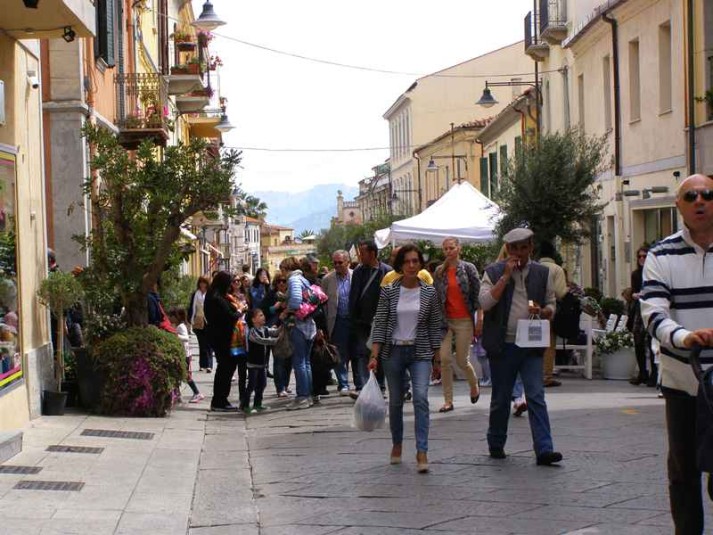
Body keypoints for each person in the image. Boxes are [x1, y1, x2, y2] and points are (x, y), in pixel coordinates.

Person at [640, 173, 713, 534]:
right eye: (690, 195)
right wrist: (685, 337)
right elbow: (653, 313)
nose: (699, 200)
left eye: (707, 194)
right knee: (683, 470)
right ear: (678, 205)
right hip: (683, 378)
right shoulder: (661, 254)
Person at [479, 228, 562, 466]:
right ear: (507, 249)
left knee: (536, 395)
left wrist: (545, 311)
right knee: (501, 398)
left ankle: (544, 449)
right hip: (503, 344)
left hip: (531, 344)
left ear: (531, 248)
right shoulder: (493, 272)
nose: (518, 253)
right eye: (513, 248)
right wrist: (505, 277)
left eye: (523, 248)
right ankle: (496, 443)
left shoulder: (542, 272)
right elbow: (485, 303)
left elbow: (551, 303)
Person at [369, 244, 441, 473]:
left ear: (420, 265)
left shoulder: (429, 292)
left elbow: (434, 325)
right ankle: (397, 444)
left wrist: (437, 357)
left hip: (420, 352)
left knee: (421, 398)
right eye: (407, 261)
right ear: (400, 265)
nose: (411, 265)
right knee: (397, 402)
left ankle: (422, 451)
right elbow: (380, 322)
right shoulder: (389, 290)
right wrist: (375, 354)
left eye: (415, 261)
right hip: (394, 352)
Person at [433, 237, 481, 412]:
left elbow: (478, 295)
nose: (448, 251)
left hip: (464, 320)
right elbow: (436, 298)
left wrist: (480, 318)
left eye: (451, 248)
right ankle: (448, 400)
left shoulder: (468, 268)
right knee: (445, 359)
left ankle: (474, 385)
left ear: (459, 248)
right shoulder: (440, 271)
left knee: (461, 360)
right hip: (445, 322)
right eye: (445, 249)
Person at [348, 239, 392, 394]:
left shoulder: (387, 271)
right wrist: (352, 317)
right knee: (362, 353)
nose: (360, 256)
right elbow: (354, 296)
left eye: (363, 252)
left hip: (380, 321)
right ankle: (365, 386)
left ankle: (380, 386)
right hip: (362, 322)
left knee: (378, 354)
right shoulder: (359, 272)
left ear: (372, 253)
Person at [205, 271, 244, 412]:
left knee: (226, 368)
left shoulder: (214, 295)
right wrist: (240, 311)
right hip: (221, 337)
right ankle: (219, 400)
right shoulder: (217, 298)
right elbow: (230, 316)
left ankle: (221, 399)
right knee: (225, 368)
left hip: (219, 336)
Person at [280, 256, 316, 411]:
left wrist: (286, 310)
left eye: (282, 269)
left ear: (287, 268)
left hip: (299, 325)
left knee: (299, 362)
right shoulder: (303, 279)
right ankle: (307, 395)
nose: (282, 274)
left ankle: (302, 396)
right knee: (306, 362)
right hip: (309, 325)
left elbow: (295, 301)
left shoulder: (294, 280)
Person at [320, 249, 353, 395]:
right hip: (336, 320)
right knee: (338, 353)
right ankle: (343, 383)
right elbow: (322, 302)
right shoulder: (327, 279)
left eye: (340, 262)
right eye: (335, 263)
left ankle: (359, 383)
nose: (337, 265)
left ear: (347, 262)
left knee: (356, 352)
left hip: (353, 320)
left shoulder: (355, 276)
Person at [537, 241, 568, 388]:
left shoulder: (533, 267)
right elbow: (560, 292)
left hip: (531, 310)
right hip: (549, 311)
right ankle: (546, 376)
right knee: (548, 344)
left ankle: (531, 374)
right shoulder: (557, 269)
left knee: (532, 343)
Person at [629, 246, 656, 386]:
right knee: (638, 341)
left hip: (652, 308)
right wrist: (634, 295)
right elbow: (633, 291)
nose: (641, 259)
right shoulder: (636, 274)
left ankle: (654, 374)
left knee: (652, 341)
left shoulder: (654, 272)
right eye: (639, 256)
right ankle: (642, 372)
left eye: (644, 256)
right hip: (639, 309)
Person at [261, 275, 292, 397]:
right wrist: (276, 307)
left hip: (290, 328)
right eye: (279, 281)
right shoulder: (271, 295)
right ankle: (280, 388)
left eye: (284, 281)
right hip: (276, 328)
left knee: (289, 359)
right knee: (279, 358)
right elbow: (263, 310)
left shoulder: (292, 293)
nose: (281, 283)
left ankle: (286, 384)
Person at [245, 309, 280, 413]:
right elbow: (261, 340)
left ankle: (258, 404)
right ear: (253, 320)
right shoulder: (252, 332)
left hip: (262, 364)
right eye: (260, 315)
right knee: (252, 385)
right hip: (253, 364)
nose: (263, 317)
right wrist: (275, 341)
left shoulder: (264, 329)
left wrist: (283, 324)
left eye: (263, 315)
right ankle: (245, 405)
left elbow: (275, 332)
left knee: (262, 384)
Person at [169, 308, 204, 403]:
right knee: (178, 374)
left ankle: (197, 393)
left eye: (171, 316)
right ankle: (177, 395)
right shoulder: (178, 326)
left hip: (185, 355)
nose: (170, 318)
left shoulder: (181, 327)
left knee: (186, 375)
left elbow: (186, 338)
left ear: (177, 317)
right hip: (182, 354)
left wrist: (176, 335)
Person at [228, 276, 250, 410]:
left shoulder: (244, 295)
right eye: (234, 281)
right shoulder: (229, 297)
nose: (237, 283)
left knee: (243, 368)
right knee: (231, 367)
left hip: (244, 331)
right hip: (234, 332)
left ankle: (243, 397)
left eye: (238, 281)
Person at [188, 276, 212, 373]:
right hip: (198, 320)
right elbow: (192, 307)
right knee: (201, 343)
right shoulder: (195, 293)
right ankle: (202, 365)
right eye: (201, 282)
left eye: (204, 282)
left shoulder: (210, 294)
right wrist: (190, 319)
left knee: (209, 344)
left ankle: (209, 365)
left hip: (208, 321)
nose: (202, 284)